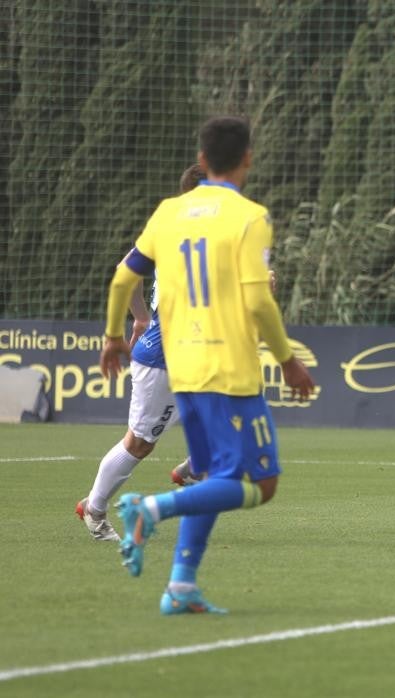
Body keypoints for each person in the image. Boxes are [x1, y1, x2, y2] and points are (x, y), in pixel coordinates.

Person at [99, 116, 314, 614]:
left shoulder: (168, 213)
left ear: (201, 161)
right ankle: (149, 508)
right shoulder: (249, 216)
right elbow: (259, 303)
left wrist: (114, 335)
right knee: (261, 485)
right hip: (229, 368)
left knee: (213, 475)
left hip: (184, 367)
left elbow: (120, 278)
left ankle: (181, 585)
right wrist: (288, 360)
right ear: (247, 160)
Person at [76, 165, 204, 542]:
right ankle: (94, 510)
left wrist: (139, 319)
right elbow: (123, 273)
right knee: (140, 442)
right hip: (166, 355)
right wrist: (137, 322)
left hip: (201, 352)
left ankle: (194, 469)